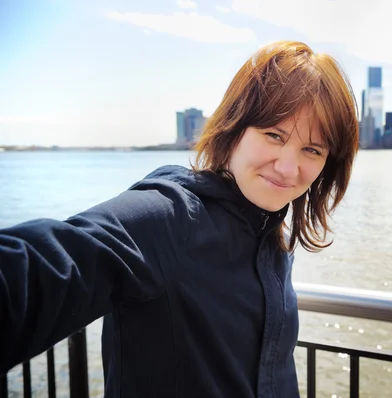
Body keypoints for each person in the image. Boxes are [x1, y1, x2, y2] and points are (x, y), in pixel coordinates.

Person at [0, 41, 359, 397]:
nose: (287, 167)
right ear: (233, 129)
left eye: (311, 149)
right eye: (273, 135)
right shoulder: (171, 219)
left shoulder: (269, 232)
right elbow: (46, 268)